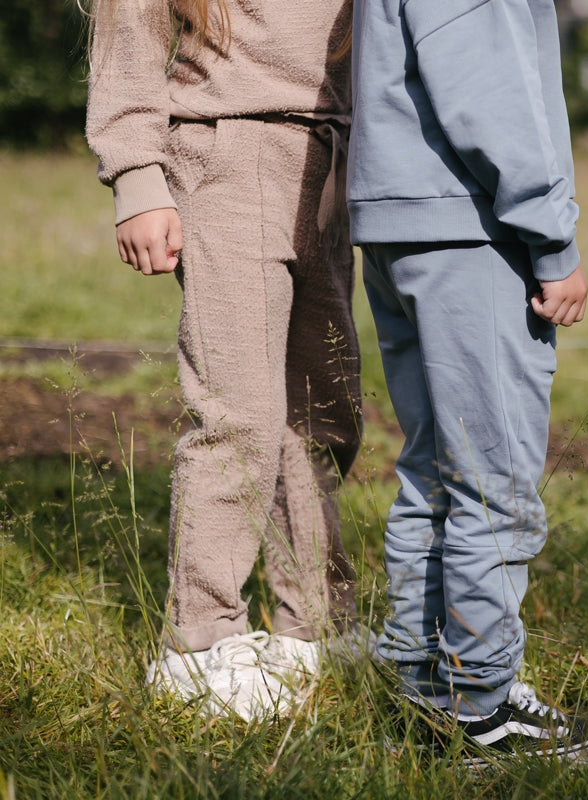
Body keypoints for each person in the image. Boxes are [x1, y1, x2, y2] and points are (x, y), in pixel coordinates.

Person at [348, 0, 588, 765]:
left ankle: (421, 686)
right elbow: (485, 86)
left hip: (404, 222)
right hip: (471, 228)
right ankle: (483, 710)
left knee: (437, 467)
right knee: (493, 476)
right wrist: (552, 235)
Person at [84, 0, 367, 720]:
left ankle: (316, 626)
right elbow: (130, 30)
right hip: (225, 152)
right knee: (238, 412)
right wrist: (137, 178)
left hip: (333, 159)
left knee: (324, 412)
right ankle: (201, 643)